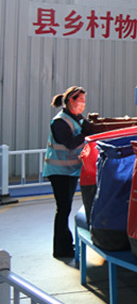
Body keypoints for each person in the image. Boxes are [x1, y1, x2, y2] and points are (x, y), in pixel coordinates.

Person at [44, 86, 92, 259]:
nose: (83, 105)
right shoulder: (59, 122)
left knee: (65, 208)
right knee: (63, 209)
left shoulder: (76, 118)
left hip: (69, 171)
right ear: (71, 100)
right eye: (81, 101)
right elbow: (70, 143)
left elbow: (89, 129)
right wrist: (85, 134)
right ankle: (61, 249)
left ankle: (65, 244)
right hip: (59, 172)